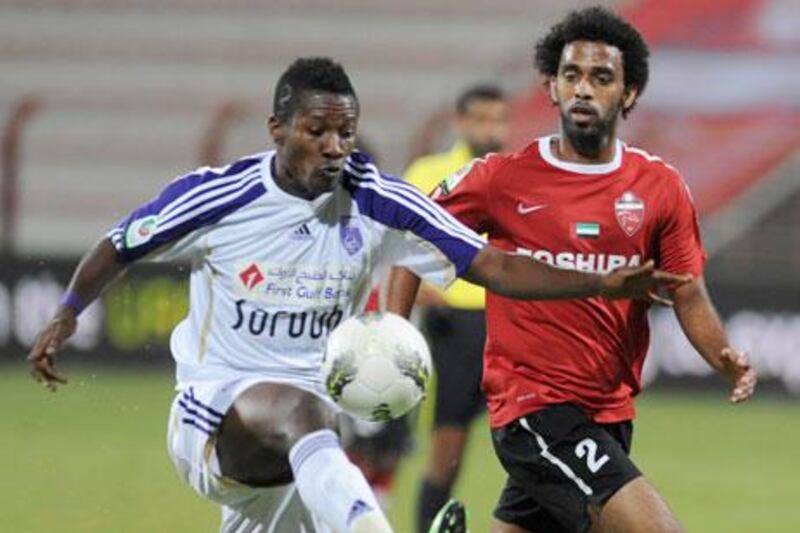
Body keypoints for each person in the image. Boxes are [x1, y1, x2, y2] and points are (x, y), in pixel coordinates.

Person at [28, 56, 686, 533]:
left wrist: (601, 281)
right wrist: (64, 316)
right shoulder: (221, 195)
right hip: (216, 411)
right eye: (318, 132)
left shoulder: (377, 199)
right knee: (302, 411)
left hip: (306, 449)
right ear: (277, 129)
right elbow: (122, 242)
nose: (336, 147)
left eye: (346, 132)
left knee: (310, 420)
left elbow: (491, 264)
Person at [387, 7, 757, 533]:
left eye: (601, 78)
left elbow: (688, 293)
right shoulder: (503, 178)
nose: (584, 89)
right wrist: (393, 337)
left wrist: (724, 358)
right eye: (571, 76)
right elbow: (411, 232)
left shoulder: (660, 188)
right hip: (531, 407)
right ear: (552, 88)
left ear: (628, 94)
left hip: (609, 410)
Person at [403, 84, 511, 532]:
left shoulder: (515, 174)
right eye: (482, 119)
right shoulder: (428, 172)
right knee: (448, 444)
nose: (492, 128)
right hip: (454, 321)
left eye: (498, 119)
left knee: (530, 437)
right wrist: (423, 290)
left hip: (510, 317)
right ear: (461, 122)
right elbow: (397, 241)